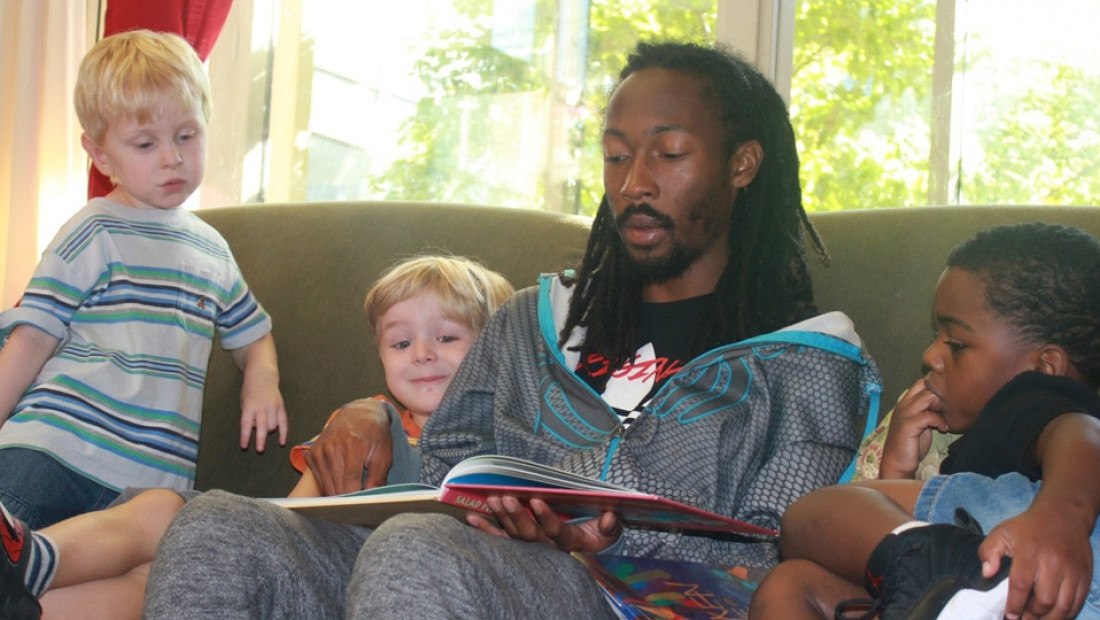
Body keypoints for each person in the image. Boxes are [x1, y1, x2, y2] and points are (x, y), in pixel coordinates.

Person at [142, 40, 881, 619]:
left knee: (418, 551)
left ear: (743, 165)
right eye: (616, 156)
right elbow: (444, 470)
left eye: (669, 153)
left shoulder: (806, 364)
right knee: (216, 526)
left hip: (635, 600)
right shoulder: (532, 320)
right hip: (459, 567)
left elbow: (779, 552)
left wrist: (598, 539)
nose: (634, 183)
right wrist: (392, 427)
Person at [0, 255, 514, 620]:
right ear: (381, 358)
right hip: (283, 552)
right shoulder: (367, 425)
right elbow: (283, 520)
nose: (421, 353)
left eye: (446, 337)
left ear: (495, 353)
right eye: (401, 342)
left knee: (168, 562)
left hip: (367, 580)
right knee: (162, 530)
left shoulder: (505, 445)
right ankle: (30, 561)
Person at [0, 29, 287, 531]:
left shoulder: (213, 250)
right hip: (55, 449)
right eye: (145, 143)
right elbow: (31, 339)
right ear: (102, 155)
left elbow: (252, 333)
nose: (171, 157)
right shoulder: (94, 228)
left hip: (148, 487)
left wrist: (261, 382)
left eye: (186, 135)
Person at [749, 222, 1100, 620]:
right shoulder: (986, 439)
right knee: (792, 583)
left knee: (812, 515)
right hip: (974, 576)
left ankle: (933, 567)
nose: (931, 356)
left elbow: (1081, 433)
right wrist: (896, 471)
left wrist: (1062, 517)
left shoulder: (1028, 398)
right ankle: (930, 571)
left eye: (957, 344)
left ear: (1045, 366)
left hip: (1023, 560)